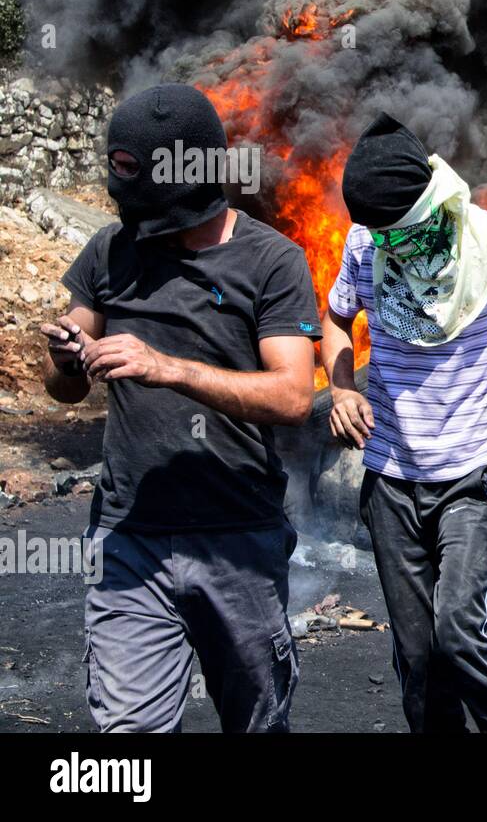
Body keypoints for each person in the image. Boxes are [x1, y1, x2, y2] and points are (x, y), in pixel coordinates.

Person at [40, 83, 321, 732]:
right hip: (130, 532)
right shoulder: (110, 250)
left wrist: (168, 368)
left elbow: (291, 394)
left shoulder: (272, 262)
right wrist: (64, 356)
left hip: (238, 535)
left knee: (256, 723)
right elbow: (63, 388)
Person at [322, 113, 487, 733]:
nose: (386, 242)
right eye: (375, 231)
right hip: (390, 476)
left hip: (472, 470)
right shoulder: (364, 246)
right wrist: (340, 386)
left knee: (458, 633)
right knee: (416, 656)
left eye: (394, 229)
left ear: (428, 201)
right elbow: (333, 319)